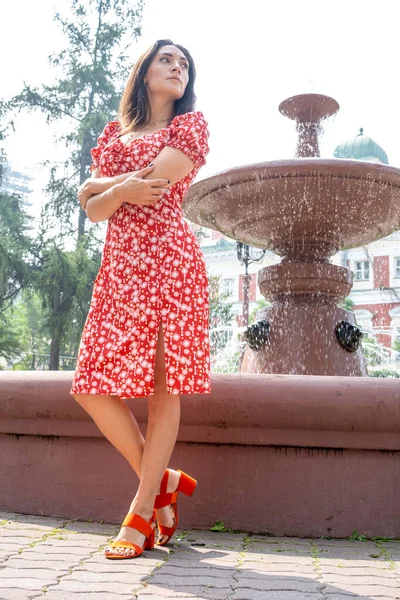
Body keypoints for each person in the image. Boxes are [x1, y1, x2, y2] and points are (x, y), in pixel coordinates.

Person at [70, 39, 211, 560]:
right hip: (121, 270)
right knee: (89, 384)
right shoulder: (115, 134)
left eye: (184, 65)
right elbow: (93, 210)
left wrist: (106, 190)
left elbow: (151, 183)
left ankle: (140, 511)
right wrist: (110, 193)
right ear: (145, 72)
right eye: (167, 60)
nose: (178, 68)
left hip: (170, 263)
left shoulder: (188, 128)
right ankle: (163, 480)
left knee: (160, 388)